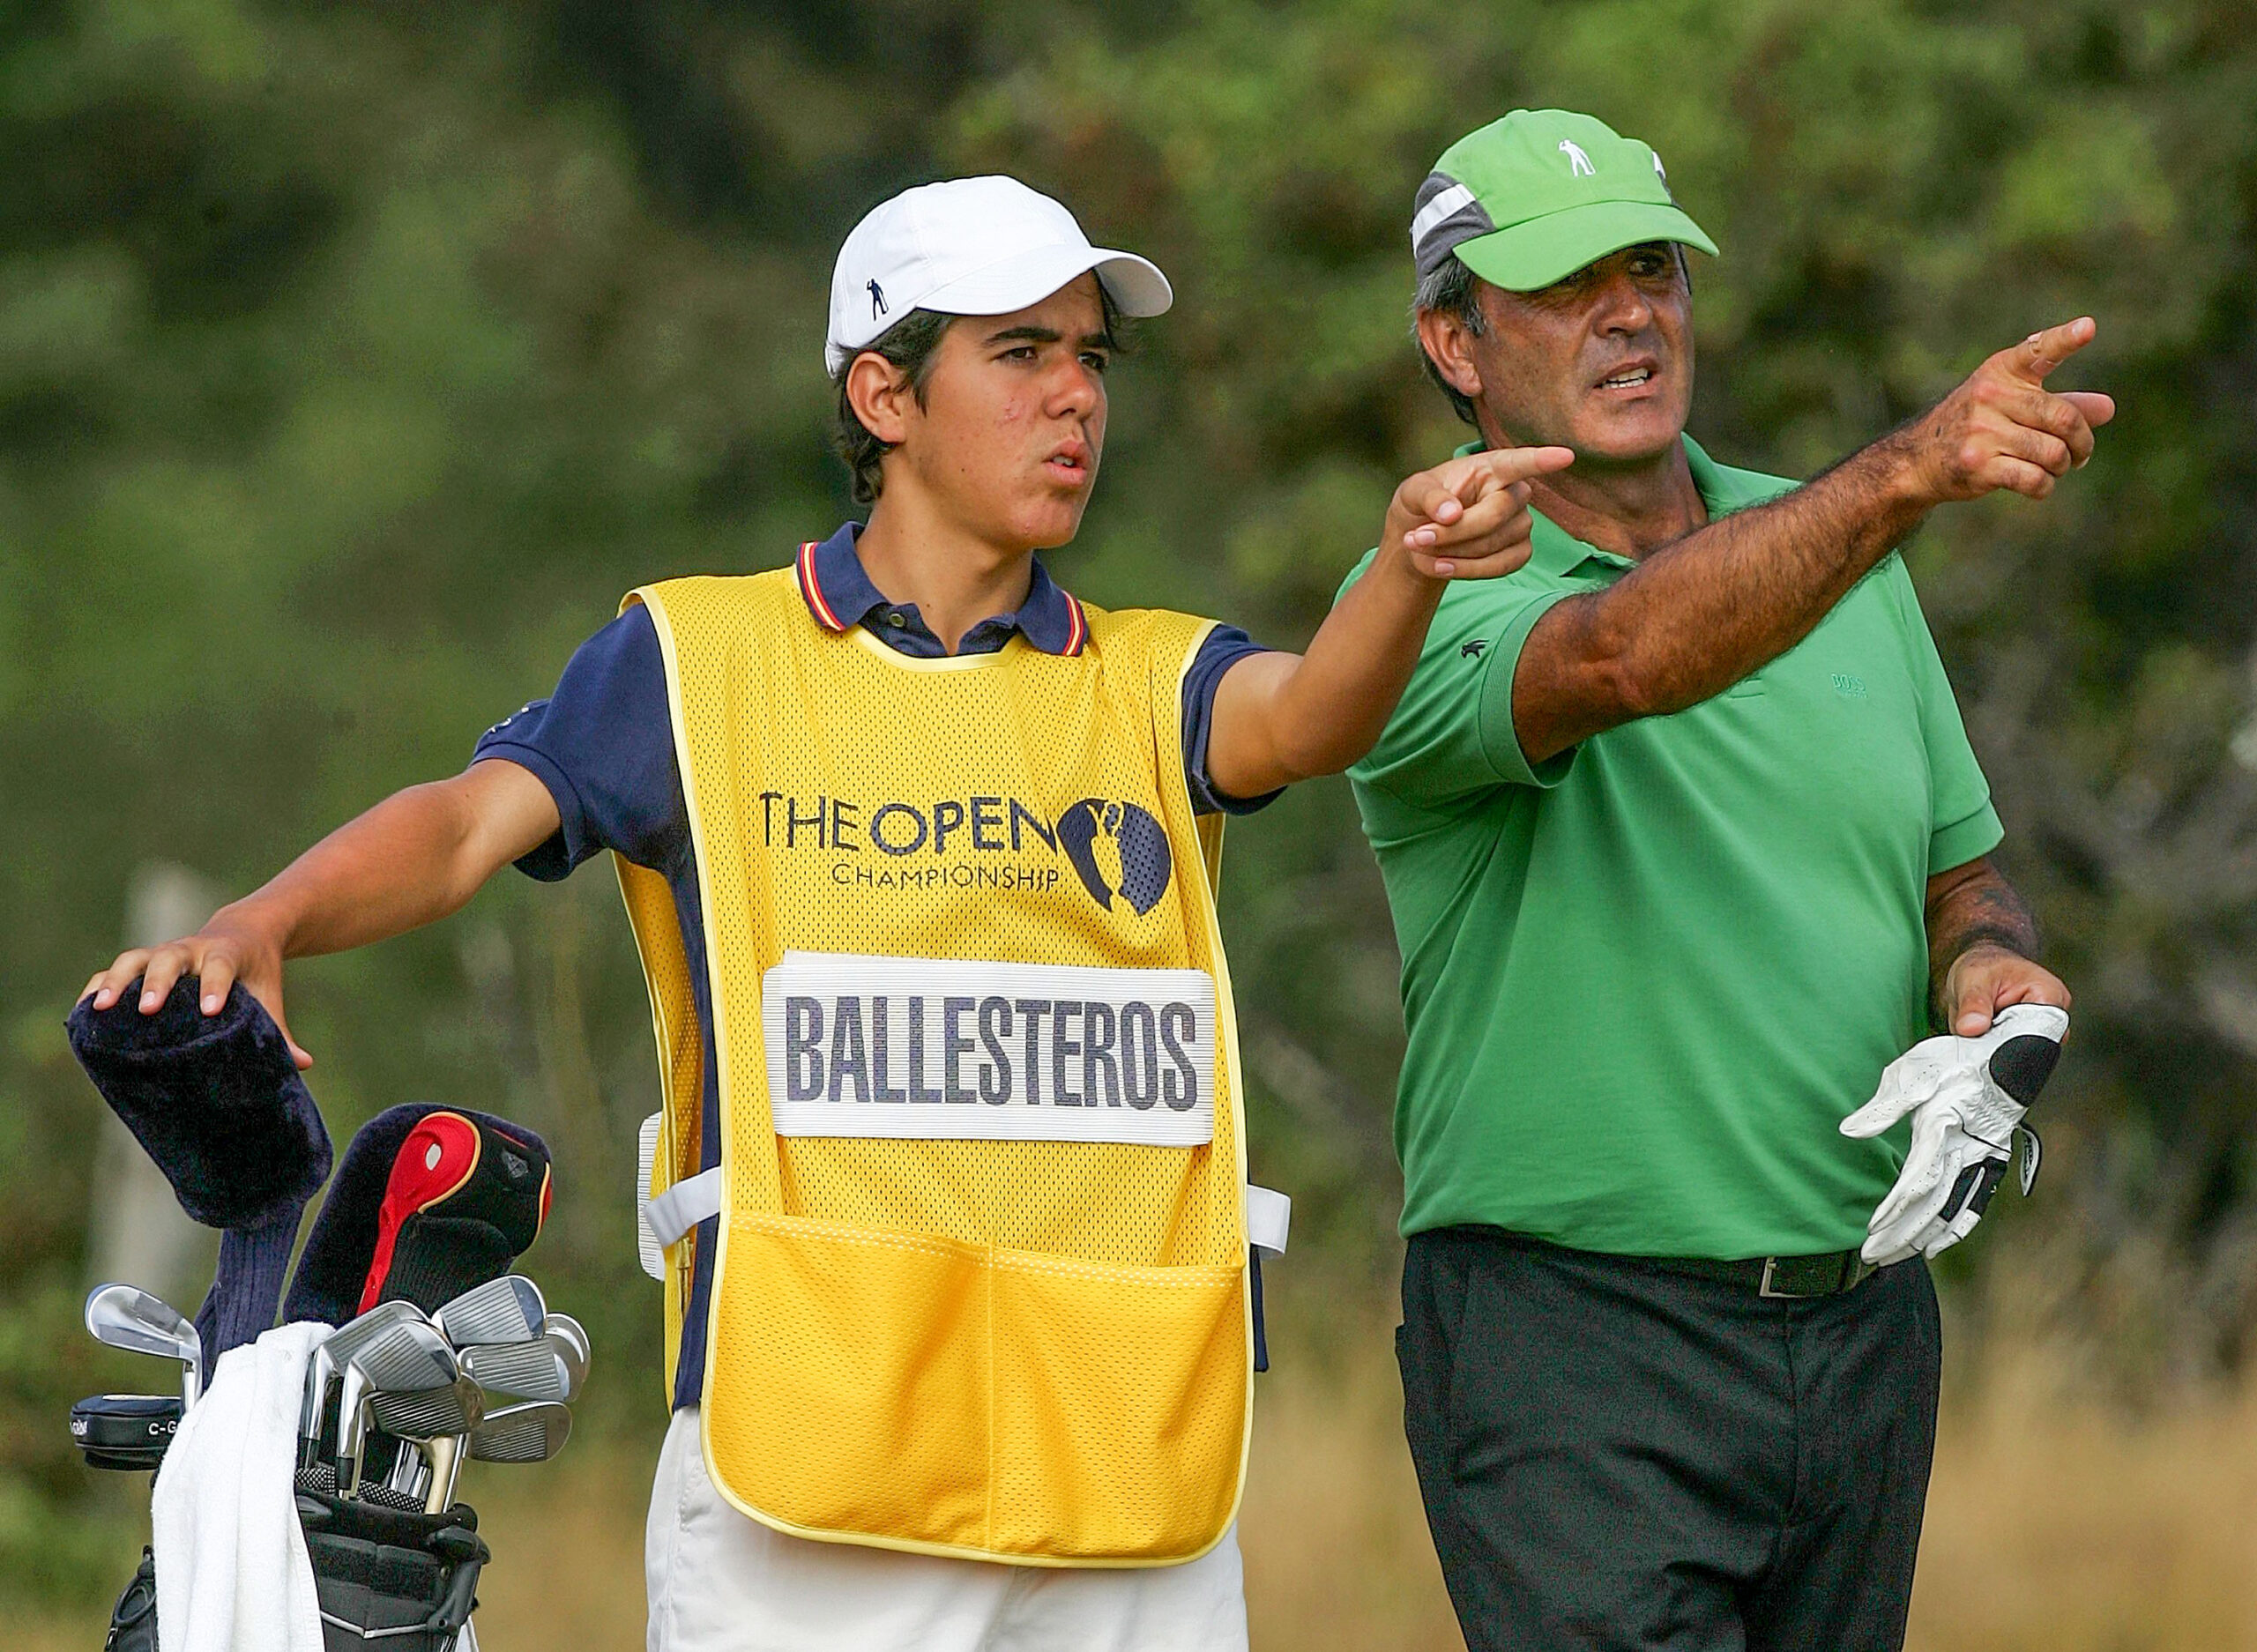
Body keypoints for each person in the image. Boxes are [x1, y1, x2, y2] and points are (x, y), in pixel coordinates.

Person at [83, 175, 1564, 1652]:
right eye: (1021, 353)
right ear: (884, 392)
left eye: (1091, 359)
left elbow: (1308, 715)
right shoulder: (701, 657)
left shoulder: (1152, 676)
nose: (1077, 401)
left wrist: (1411, 569)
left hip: (1127, 1474)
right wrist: (267, 917)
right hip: (808, 1482)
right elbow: (474, 817)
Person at [1341, 109, 2107, 1650]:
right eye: (1567, 286)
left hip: (1863, 1330)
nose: (1631, 312)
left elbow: (1964, 869)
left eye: (1653, 270)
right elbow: (1623, 653)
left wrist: (1985, 962)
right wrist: (1903, 469)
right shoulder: (1421, 596)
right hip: (1576, 1344)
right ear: (1454, 340)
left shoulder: (1845, 562)